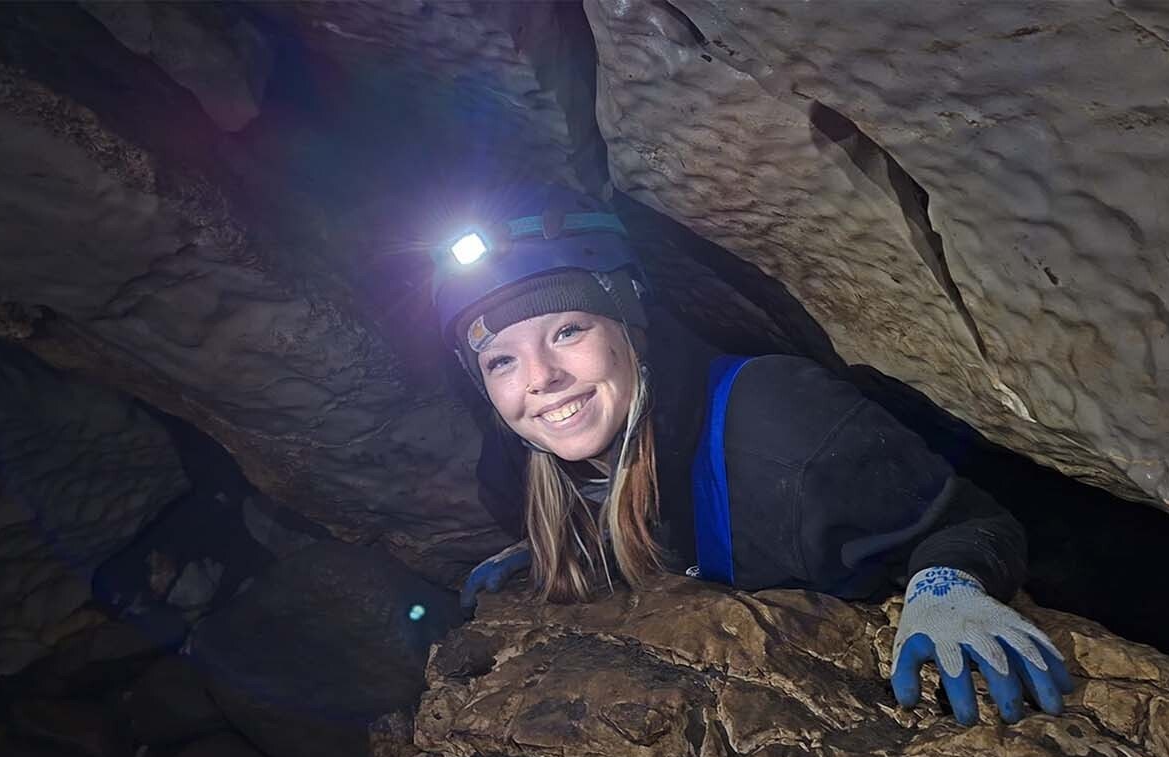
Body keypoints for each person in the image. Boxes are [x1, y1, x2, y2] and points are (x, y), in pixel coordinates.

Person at [432, 185, 1073, 726]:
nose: (539, 378)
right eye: (501, 361)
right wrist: (564, 541)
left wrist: (947, 583)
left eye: (567, 331)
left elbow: (973, 521)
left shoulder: (780, 418)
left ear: (631, 328)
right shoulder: (516, 474)